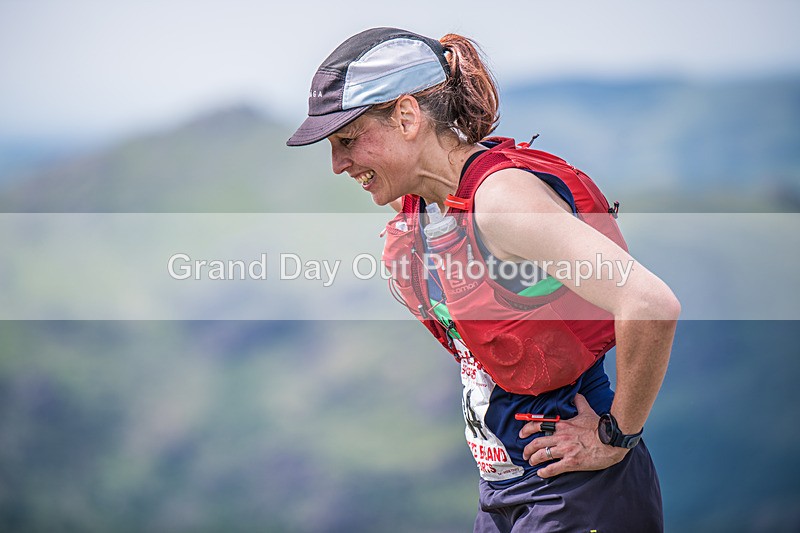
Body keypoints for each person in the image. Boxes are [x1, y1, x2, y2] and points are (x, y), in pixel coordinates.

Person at [287, 27, 680, 532]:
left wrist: (616, 435)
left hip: (578, 492)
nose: (338, 164)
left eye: (347, 140)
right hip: (507, 489)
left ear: (407, 117)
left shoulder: (501, 201)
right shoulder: (427, 207)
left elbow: (649, 304)